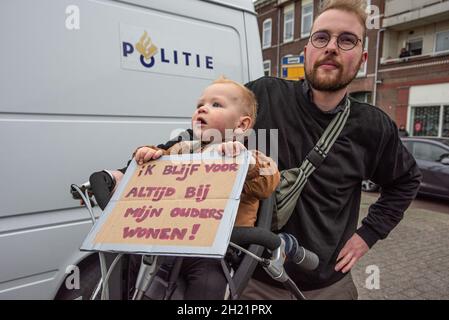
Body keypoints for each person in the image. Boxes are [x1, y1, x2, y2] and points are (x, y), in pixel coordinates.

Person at [106, 0, 421, 300]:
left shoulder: (373, 127)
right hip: (253, 279)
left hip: (327, 286)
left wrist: (368, 234)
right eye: (322, 37)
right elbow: (201, 137)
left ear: (363, 59)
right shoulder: (266, 96)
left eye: (347, 40)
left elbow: (405, 182)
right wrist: (128, 171)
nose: (331, 47)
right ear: (308, 49)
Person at [130, 77, 279, 299]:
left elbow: (269, 179)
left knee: (209, 284)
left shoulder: (248, 157)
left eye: (216, 104)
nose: (203, 109)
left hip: (215, 252)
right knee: (136, 265)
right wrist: (149, 154)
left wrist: (245, 162)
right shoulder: (183, 149)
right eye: (200, 105)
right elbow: (158, 161)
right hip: (172, 241)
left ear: (241, 125)